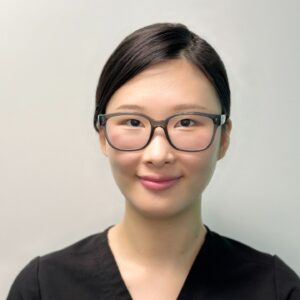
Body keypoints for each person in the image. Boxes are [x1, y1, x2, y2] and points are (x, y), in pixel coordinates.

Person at [7, 22, 300, 300]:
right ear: (102, 136)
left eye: (186, 122)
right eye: (133, 121)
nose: (158, 155)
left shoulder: (276, 290)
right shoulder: (43, 288)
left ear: (223, 138)